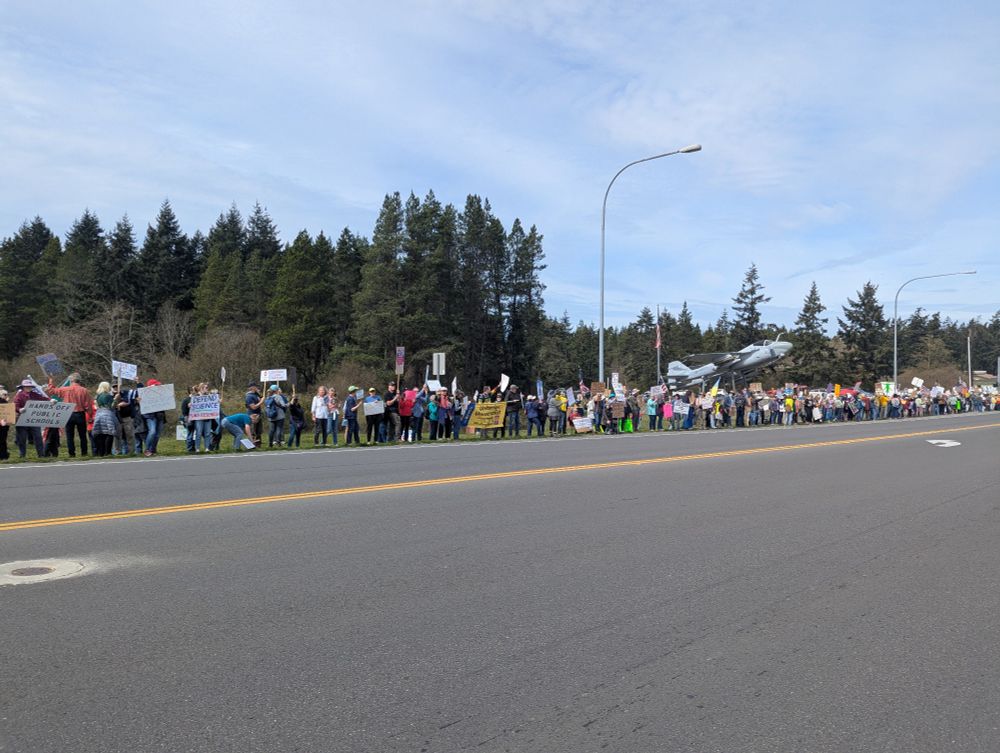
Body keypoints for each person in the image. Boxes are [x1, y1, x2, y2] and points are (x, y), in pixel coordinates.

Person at [47, 372, 93, 457]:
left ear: (70, 380)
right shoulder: (84, 390)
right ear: (79, 380)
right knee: (82, 435)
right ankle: (84, 453)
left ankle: (71, 454)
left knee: (69, 436)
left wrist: (50, 381)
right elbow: (88, 405)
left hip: (68, 414)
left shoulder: (65, 389)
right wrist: (89, 415)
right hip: (80, 414)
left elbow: (51, 391)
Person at [13, 379, 47, 458]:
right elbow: (15, 405)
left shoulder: (35, 394)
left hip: (33, 419)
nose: (28, 388)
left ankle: (41, 454)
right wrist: (19, 409)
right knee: (22, 438)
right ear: (23, 387)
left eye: (30, 386)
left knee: (38, 437)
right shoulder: (19, 395)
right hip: (22, 420)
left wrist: (50, 400)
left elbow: (43, 399)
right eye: (27, 386)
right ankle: (22, 455)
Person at [91, 381, 120, 457]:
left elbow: (96, 406)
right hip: (107, 415)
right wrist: (116, 399)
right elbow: (112, 406)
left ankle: (101, 453)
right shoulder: (108, 396)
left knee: (101, 433)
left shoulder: (97, 396)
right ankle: (108, 452)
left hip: (99, 415)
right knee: (109, 433)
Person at [113, 383, 135, 455]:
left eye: (117, 386)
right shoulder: (111, 395)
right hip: (117, 419)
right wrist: (115, 399)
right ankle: (117, 452)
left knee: (130, 435)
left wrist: (122, 403)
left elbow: (128, 401)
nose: (116, 388)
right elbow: (111, 406)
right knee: (117, 436)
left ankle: (131, 452)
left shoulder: (127, 393)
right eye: (114, 387)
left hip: (127, 417)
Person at [0, 387, 10, 461]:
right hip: (3, 425)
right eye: (4, 394)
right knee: (2, 440)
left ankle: (3, 455)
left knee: (2, 440)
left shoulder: (4, 401)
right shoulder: (3, 401)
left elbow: (8, 413)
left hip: (3, 424)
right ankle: (4, 455)